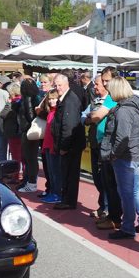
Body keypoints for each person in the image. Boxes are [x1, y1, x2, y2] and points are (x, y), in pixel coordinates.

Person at [100, 76, 139, 240]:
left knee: (127, 193)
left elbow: (122, 137)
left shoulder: (123, 111)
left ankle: (128, 227)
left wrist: (114, 155)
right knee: (135, 190)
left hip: (126, 157)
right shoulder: (133, 106)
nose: (109, 93)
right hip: (135, 154)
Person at [90, 66, 123, 229]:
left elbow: (96, 116)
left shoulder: (114, 98)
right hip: (104, 143)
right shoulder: (110, 97)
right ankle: (111, 214)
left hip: (110, 145)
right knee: (107, 182)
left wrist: (91, 115)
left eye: (107, 81)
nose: (104, 83)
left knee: (113, 185)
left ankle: (116, 217)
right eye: (102, 81)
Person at [51, 74, 86, 209]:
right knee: (66, 172)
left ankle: (68, 201)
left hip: (71, 144)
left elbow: (69, 125)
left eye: (60, 85)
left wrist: (64, 146)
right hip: (68, 143)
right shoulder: (65, 98)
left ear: (66, 84)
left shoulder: (70, 100)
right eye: (56, 85)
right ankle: (66, 199)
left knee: (70, 173)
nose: (57, 88)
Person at [82, 74, 108, 219]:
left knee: (105, 179)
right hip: (94, 143)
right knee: (97, 178)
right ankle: (102, 206)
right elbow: (84, 116)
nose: (95, 86)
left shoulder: (110, 101)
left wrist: (91, 117)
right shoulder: (94, 101)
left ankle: (107, 208)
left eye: (98, 84)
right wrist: (88, 118)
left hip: (104, 144)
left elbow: (96, 117)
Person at [17, 77, 41, 193]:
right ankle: (29, 180)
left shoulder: (28, 99)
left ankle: (31, 182)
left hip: (28, 131)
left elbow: (30, 115)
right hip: (28, 130)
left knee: (29, 157)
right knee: (29, 157)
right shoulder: (34, 97)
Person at [40, 89, 62, 204]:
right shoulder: (50, 112)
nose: (51, 101)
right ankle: (53, 192)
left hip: (53, 146)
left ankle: (57, 194)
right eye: (50, 99)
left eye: (54, 98)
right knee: (50, 171)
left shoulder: (58, 112)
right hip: (48, 145)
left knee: (55, 172)